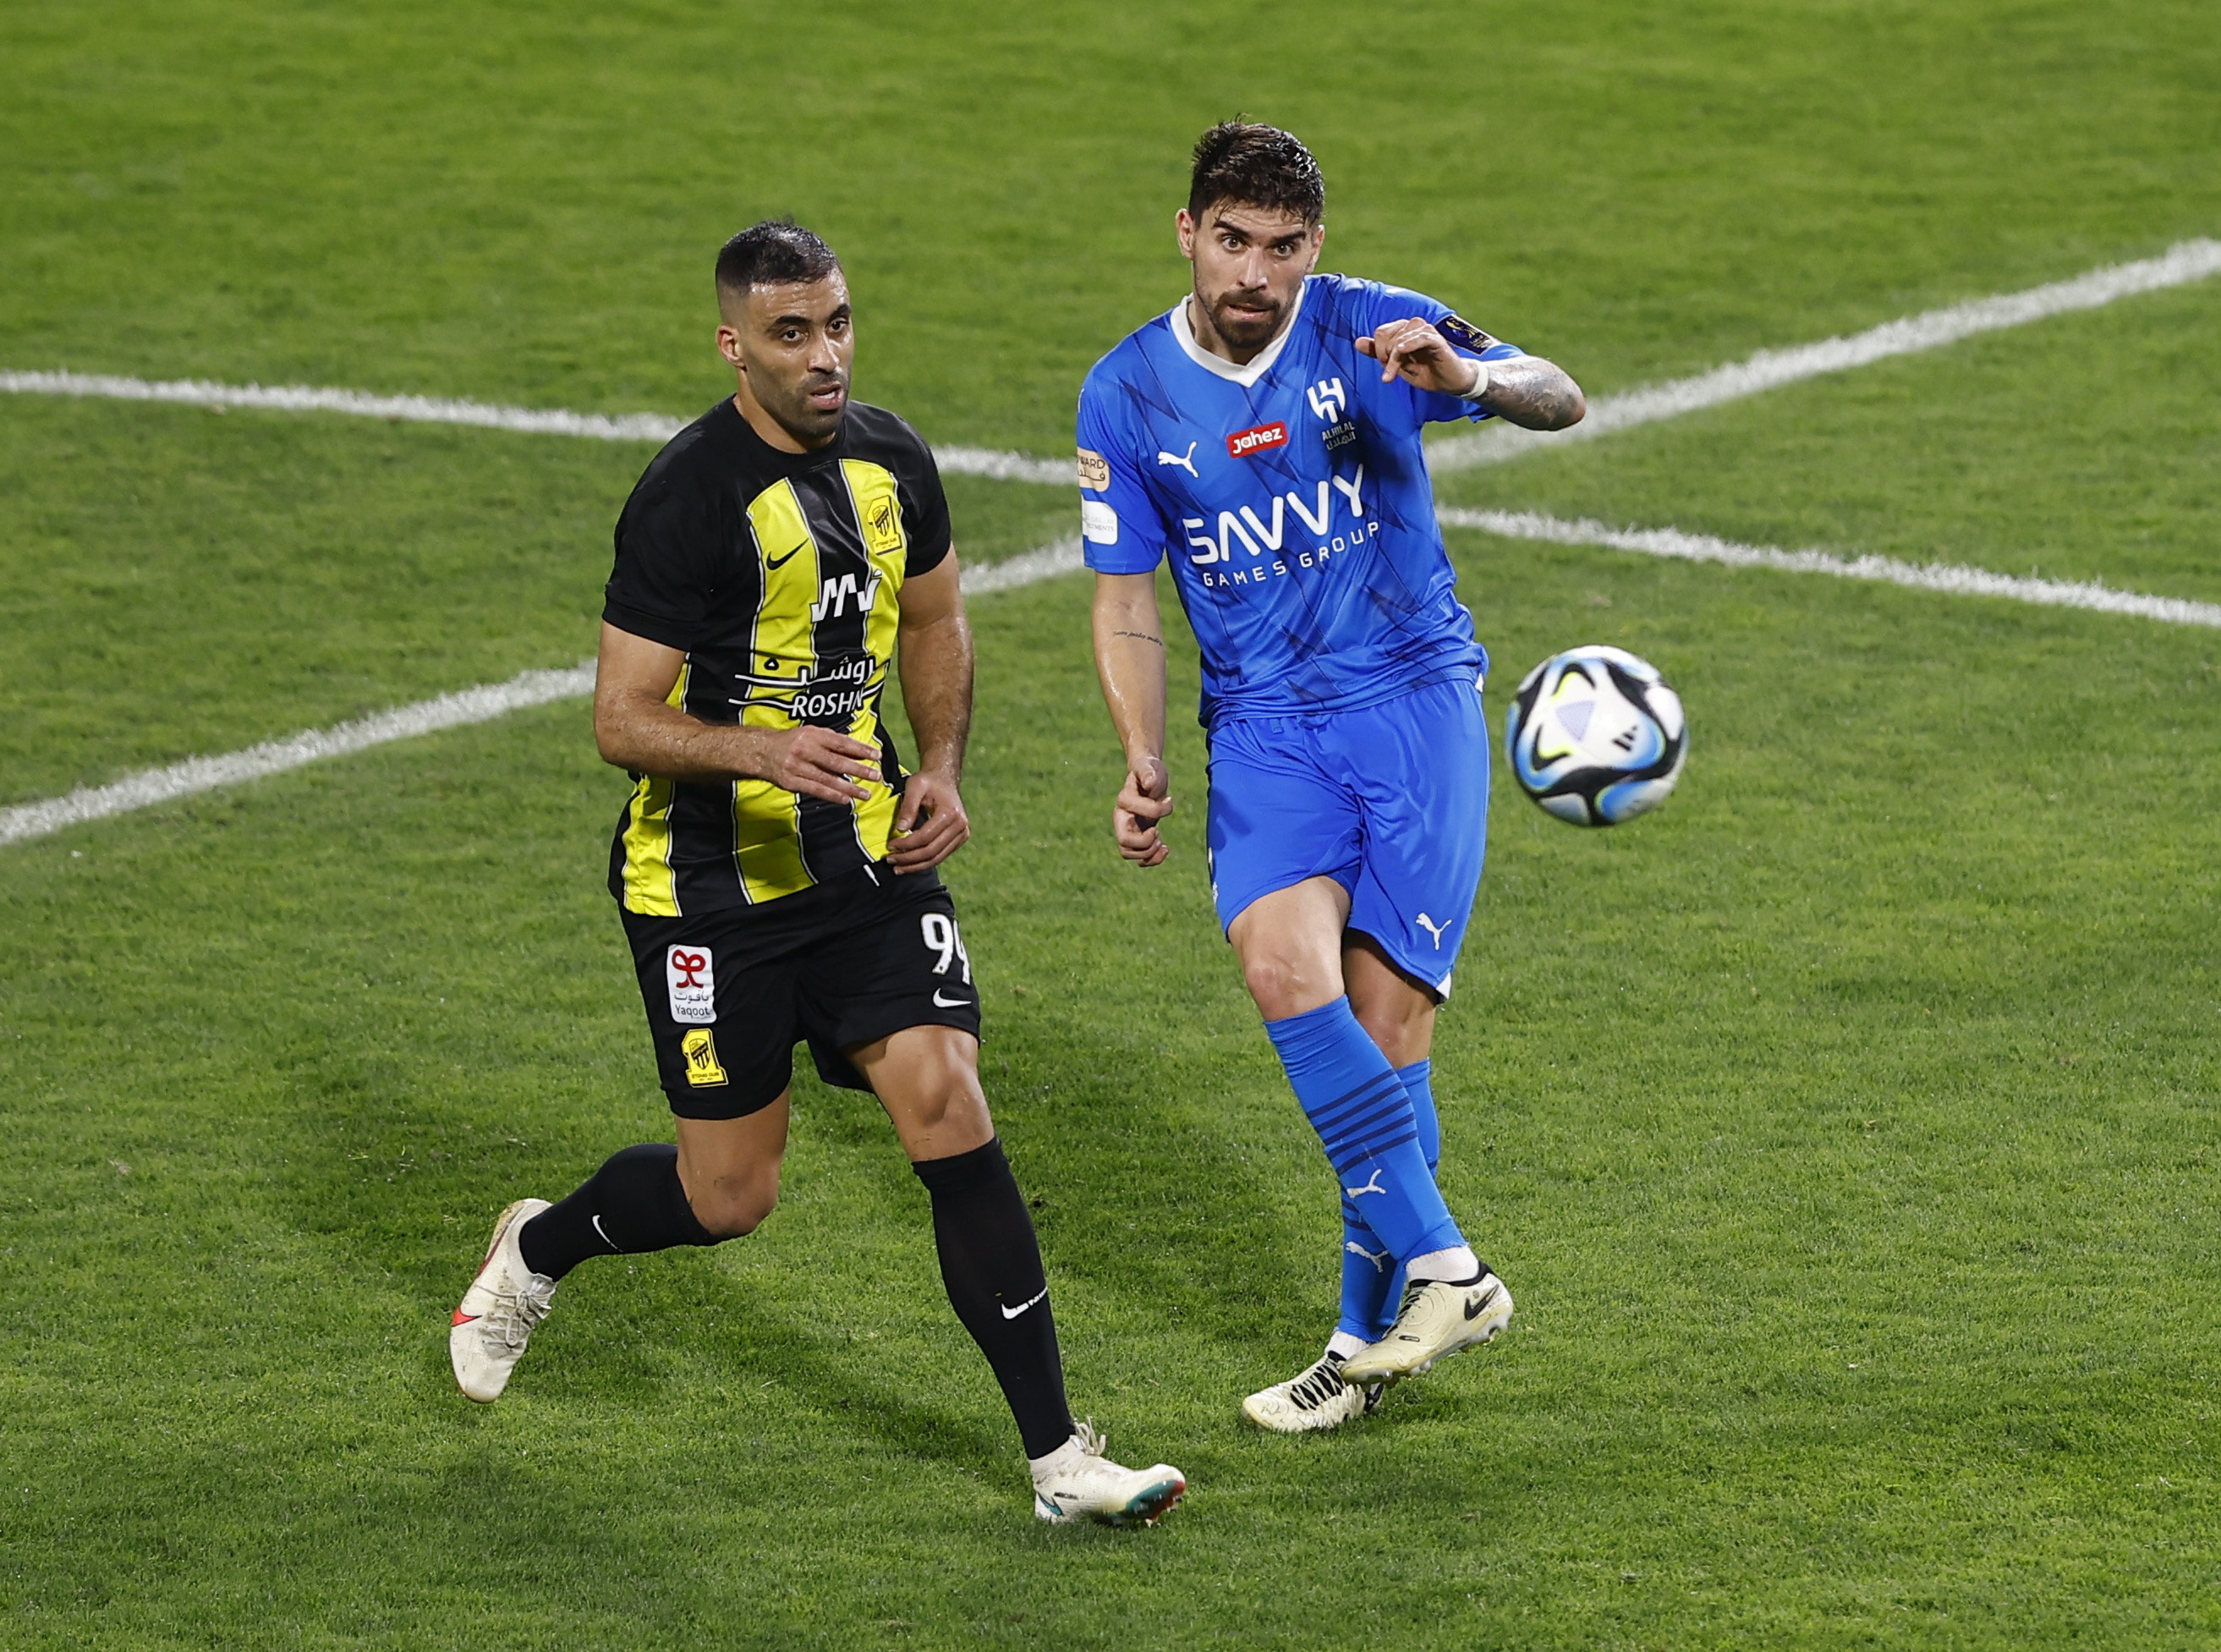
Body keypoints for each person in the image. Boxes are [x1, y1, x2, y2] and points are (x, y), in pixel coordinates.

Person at [450, 220, 1185, 1526]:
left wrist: (941, 769)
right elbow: (619, 718)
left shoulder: (896, 460)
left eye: (837, 321)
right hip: (705, 893)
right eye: (792, 333)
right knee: (726, 1197)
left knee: (949, 1099)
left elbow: (938, 621)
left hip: (864, 867)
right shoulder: (688, 497)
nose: (824, 353)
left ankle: (1059, 1459)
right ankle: (539, 1244)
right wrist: (756, 750)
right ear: (734, 344)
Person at [1078, 125, 1585, 1432]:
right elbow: (1125, 598)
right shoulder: (1124, 392)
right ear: (1185, 230)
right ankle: (1453, 1274)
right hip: (1259, 729)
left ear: (1318, 245)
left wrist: (1464, 370)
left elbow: (1558, 393)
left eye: (1284, 246)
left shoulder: (1372, 330)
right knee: (1278, 969)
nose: (1255, 271)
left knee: (1385, 1033)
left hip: (1410, 705)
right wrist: (1139, 745)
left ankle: (1362, 1342)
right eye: (1231, 239)